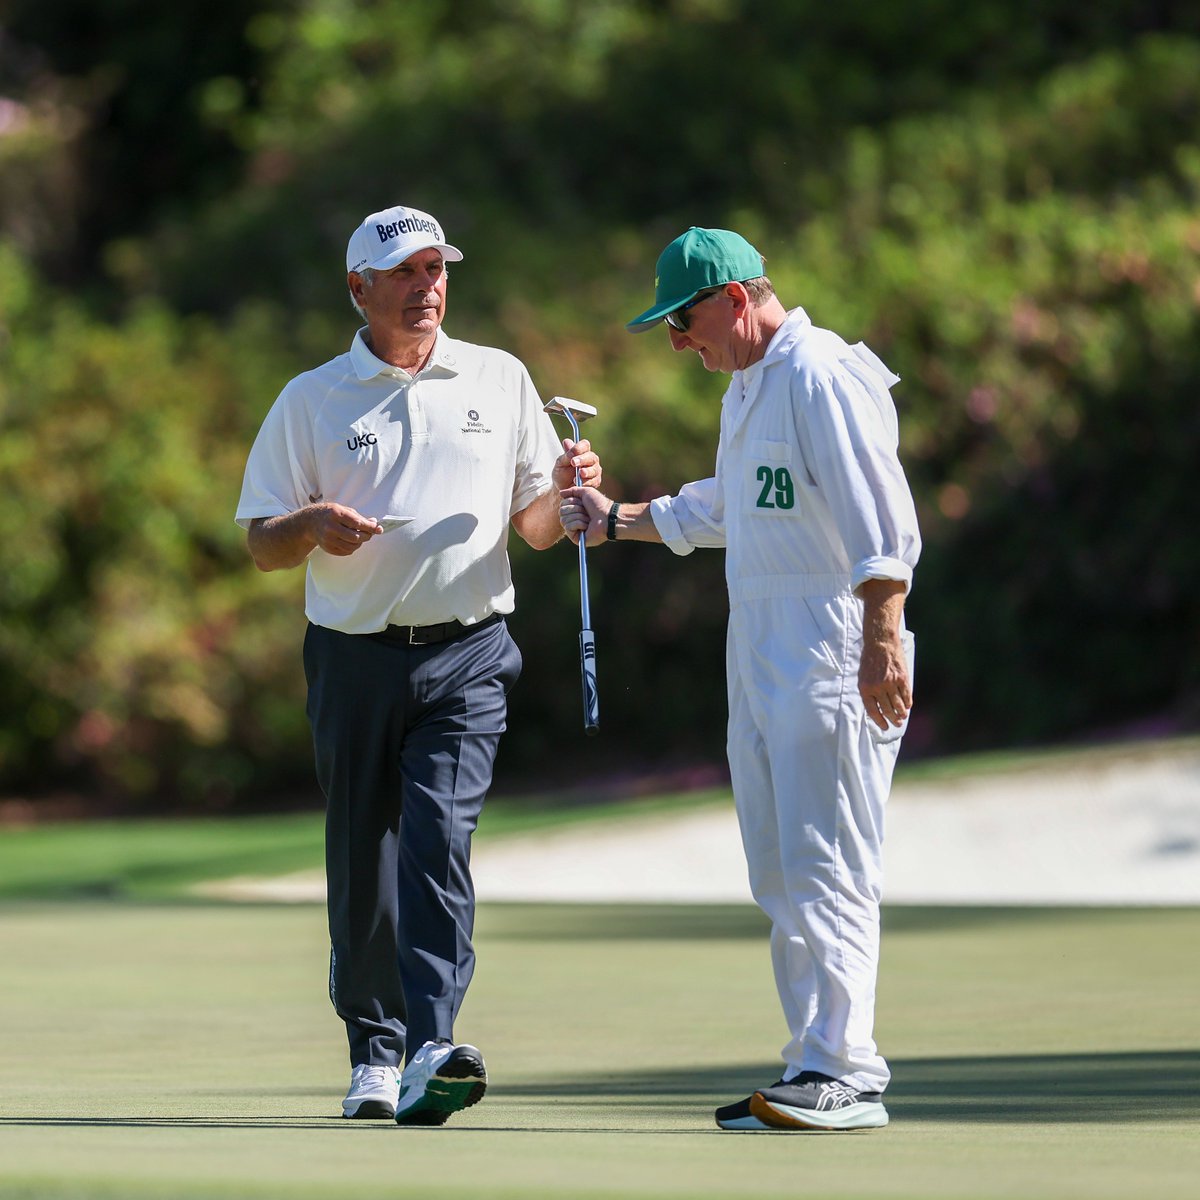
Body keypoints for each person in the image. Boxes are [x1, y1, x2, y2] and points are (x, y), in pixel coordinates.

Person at [235, 204, 599, 1126]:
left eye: (436, 270)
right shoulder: (311, 398)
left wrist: (566, 492)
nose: (425, 288)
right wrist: (311, 525)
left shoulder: (500, 377)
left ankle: (432, 1044)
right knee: (365, 857)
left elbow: (537, 528)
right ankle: (374, 1048)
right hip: (353, 656)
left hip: (470, 651)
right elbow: (261, 542)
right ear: (358, 288)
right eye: (404, 272)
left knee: (440, 840)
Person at [560, 227, 920, 1132]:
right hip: (760, 639)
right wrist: (618, 519)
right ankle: (810, 1063)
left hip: (830, 637)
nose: (677, 343)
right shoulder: (750, 387)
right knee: (779, 867)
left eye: (682, 322)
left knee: (828, 859)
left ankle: (849, 1071)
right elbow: (734, 505)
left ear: (734, 299)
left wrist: (883, 637)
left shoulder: (819, 373)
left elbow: (883, 518)